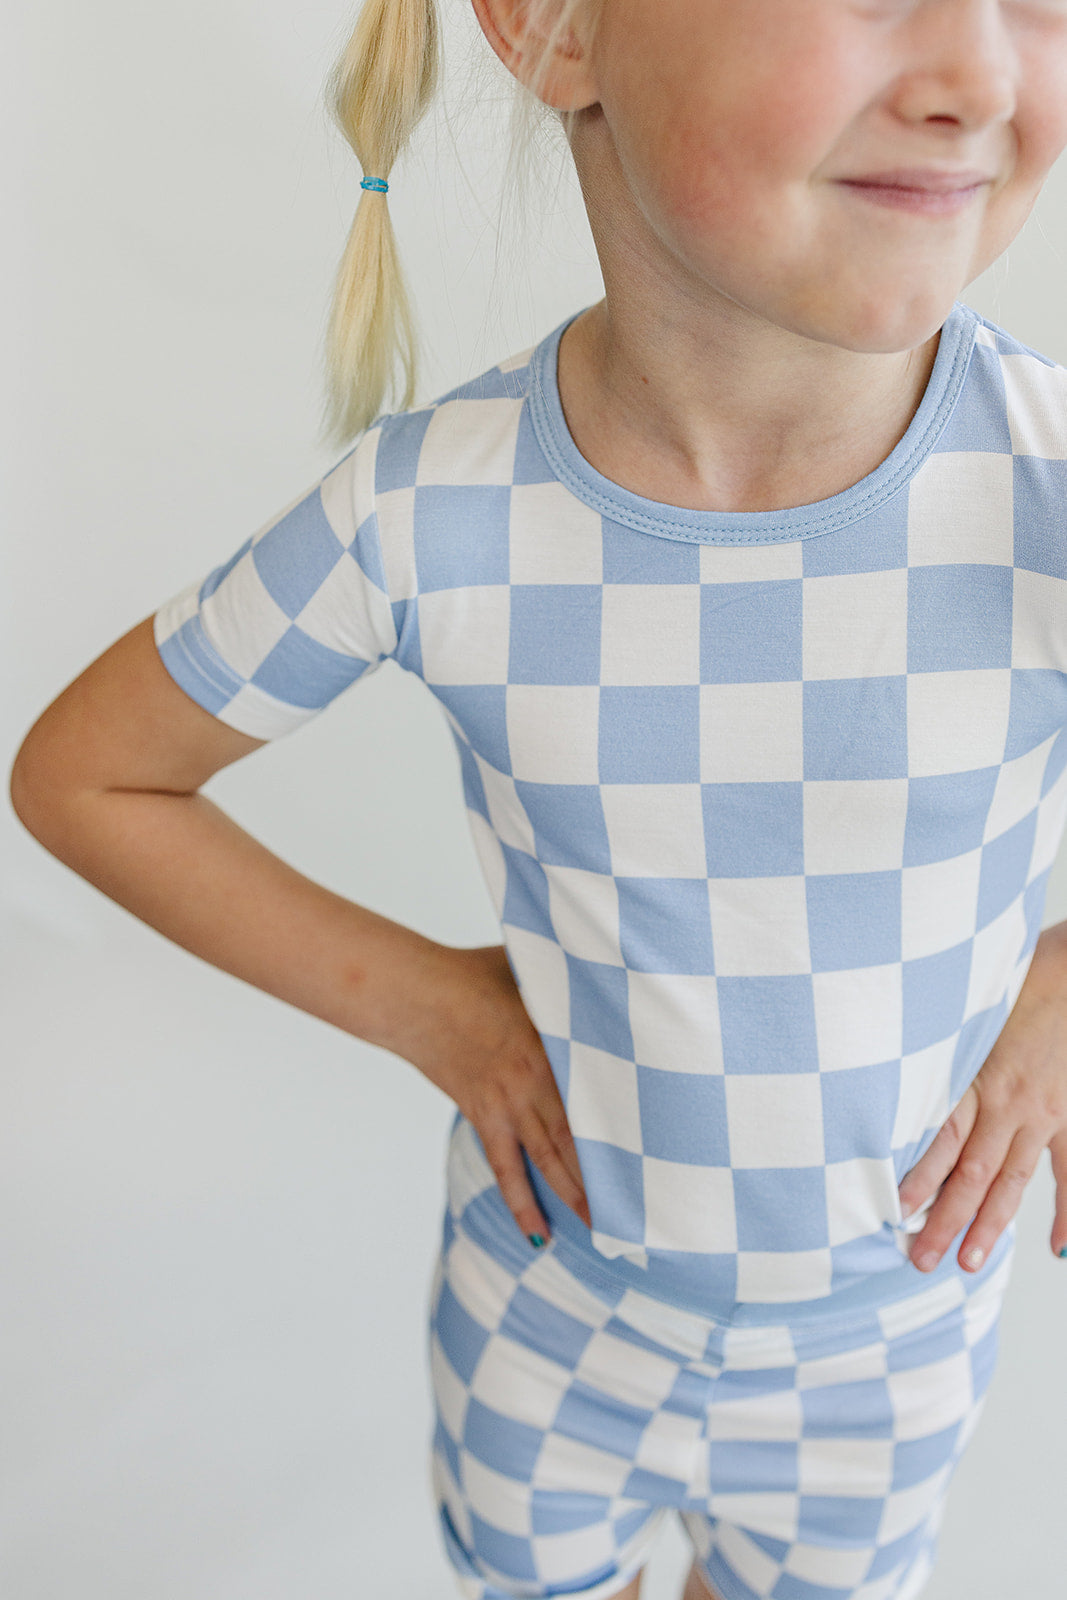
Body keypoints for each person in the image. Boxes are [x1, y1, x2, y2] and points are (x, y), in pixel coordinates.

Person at [10, 0, 1067, 1596]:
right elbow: (87, 774)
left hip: (891, 1356)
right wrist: (441, 1011)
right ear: (553, 28)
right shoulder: (430, 512)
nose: (982, 74)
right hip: (548, 1320)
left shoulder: (1046, 490)